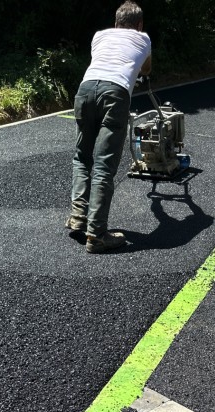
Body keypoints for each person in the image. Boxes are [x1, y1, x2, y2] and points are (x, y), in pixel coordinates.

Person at [66, 1, 152, 254]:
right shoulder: (143, 37)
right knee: (104, 164)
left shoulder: (99, 35)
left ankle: (78, 216)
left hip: (85, 90)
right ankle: (98, 234)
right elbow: (145, 69)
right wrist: (142, 72)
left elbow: (105, 60)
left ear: (116, 22)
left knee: (82, 156)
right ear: (139, 24)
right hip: (115, 94)